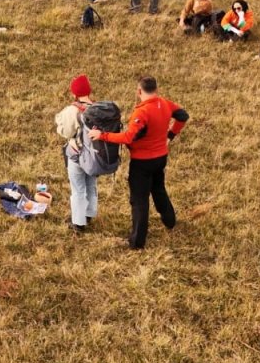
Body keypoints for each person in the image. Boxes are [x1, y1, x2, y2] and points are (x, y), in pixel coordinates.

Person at [92, 76, 189, 250]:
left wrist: (102, 136)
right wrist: (171, 135)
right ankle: (170, 220)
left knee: (139, 200)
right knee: (158, 188)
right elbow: (183, 116)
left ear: (139, 91)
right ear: (156, 89)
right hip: (161, 158)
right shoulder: (166, 104)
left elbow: (128, 137)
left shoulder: (141, 112)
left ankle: (137, 241)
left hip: (142, 162)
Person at [55, 75, 97, 234]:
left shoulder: (72, 110)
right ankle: (89, 214)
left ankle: (78, 223)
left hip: (78, 155)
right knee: (91, 185)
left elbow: (65, 131)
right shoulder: (99, 108)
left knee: (78, 188)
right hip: (94, 157)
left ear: (74, 93)